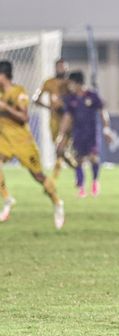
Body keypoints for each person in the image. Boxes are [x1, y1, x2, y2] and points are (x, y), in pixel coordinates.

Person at [0, 60, 64, 228]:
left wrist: (5, 107)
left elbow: (24, 118)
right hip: (4, 140)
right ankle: (7, 199)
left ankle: (57, 202)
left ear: (3, 75)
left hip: (23, 142)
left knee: (38, 176)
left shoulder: (19, 92)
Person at [57, 71, 112, 198]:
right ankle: (81, 187)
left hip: (92, 132)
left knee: (93, 158)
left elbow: (102, 112)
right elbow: (67, 117)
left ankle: (95, 182)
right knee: (78, 160)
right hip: (78, 132)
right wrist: (61, 135)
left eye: (70, 83)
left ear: (77, 83)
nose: (69, 86)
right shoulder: (71, 99)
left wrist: (106, 129)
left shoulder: (92, 96)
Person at [34, 58, 77, 178]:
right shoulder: (49, 82)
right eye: (59, 67)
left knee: (61, 148)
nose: (61, 69)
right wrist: (49, 107)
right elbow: (36, 98)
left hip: (68, 119)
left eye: (63, 67)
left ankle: (55, 176)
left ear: (67, 68)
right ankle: (75, 167)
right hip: (54, 120)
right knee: (59, 150)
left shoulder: (70, 83)